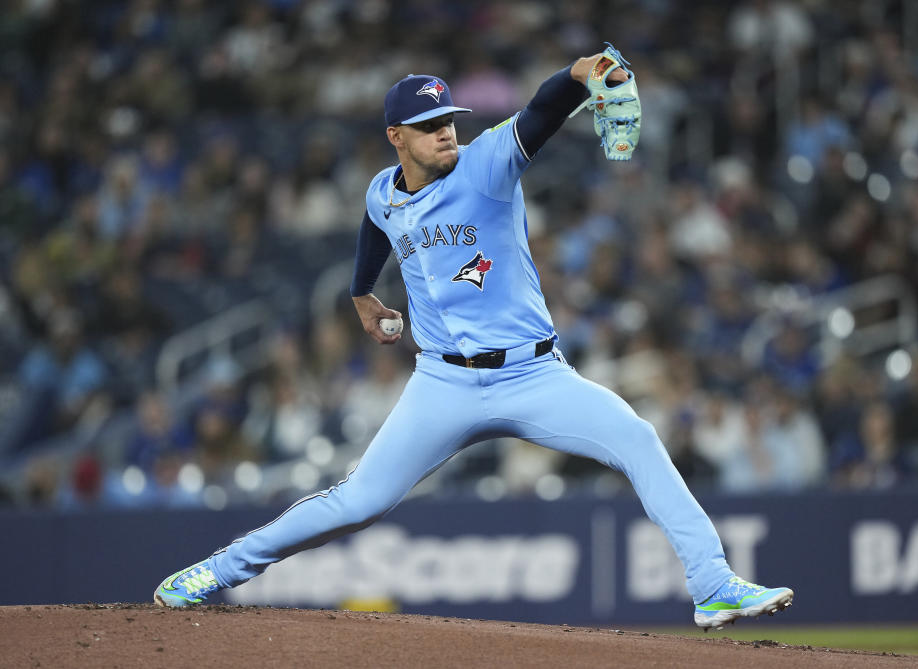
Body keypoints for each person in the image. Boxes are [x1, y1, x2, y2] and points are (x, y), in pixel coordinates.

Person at [154, 47, 794, 630]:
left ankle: (712, 584)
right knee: (357, 501)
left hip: (534, 375)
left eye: (450, 120)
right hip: (444, 383)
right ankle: (219, 570)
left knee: (638, 439)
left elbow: (542, 111)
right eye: (431, 127)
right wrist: (359, 293)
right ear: (395, 138)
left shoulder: (487, 163)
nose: (446, 133)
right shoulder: (384, 190)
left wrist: (578, 75)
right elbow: (375, 224)